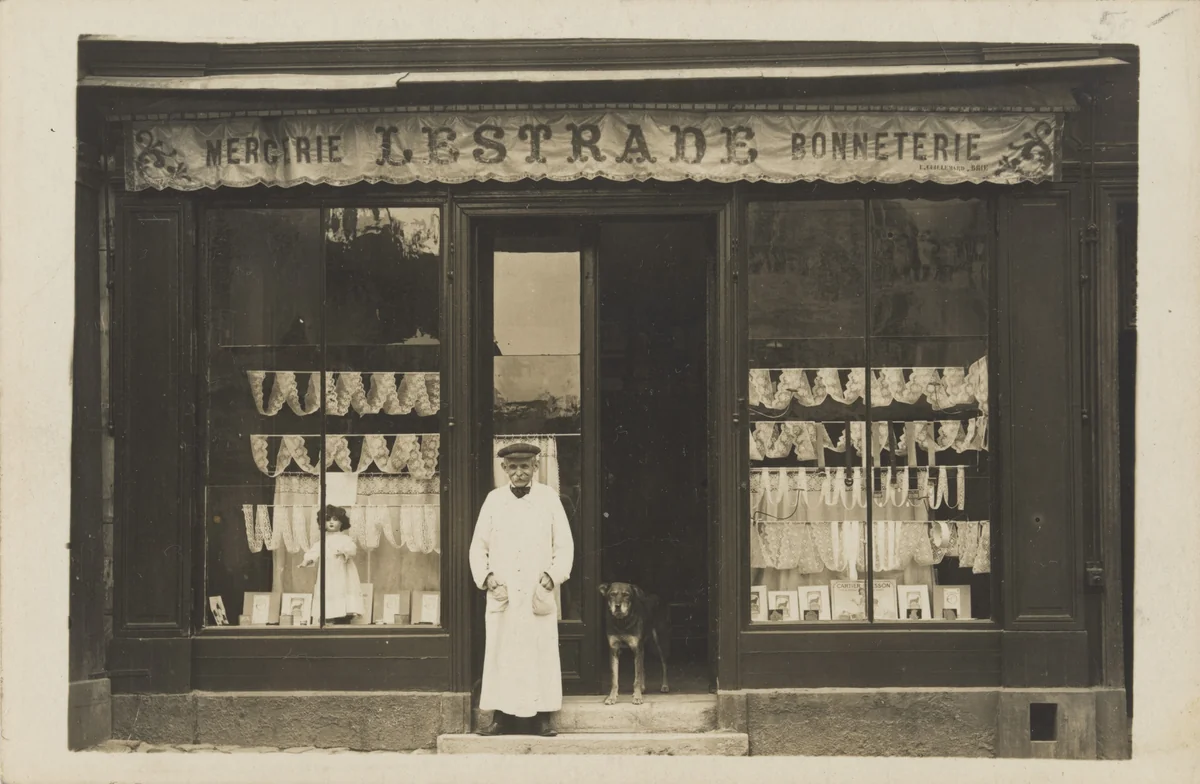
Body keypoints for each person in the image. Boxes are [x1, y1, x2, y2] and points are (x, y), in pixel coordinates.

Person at [469, 443, 574, 737]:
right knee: (503, 652)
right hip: (504, 591)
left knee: (539, 652)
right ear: (504, 469)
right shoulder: (494, 500)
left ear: (535, 467)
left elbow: (564, 546)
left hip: (535, 590)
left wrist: (553, 576)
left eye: (525, 466)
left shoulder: (549, 499)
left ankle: (542, 717)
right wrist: (486, 576)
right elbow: (478, 546)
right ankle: (501, 716)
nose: (519, 473)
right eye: (513, 467)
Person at [300, 505, 364, 625]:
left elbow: (352, 549)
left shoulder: (345, 539)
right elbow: (314, 552)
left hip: (343, 571)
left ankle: (344, 615)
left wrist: (344, 551)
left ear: (342, 522)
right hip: (328, 572)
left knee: (343, 589)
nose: (331, 522)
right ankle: (329, 616)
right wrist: (307, 560)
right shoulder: (322, 542)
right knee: (328, 590)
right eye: (328, 520)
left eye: (335, 519)